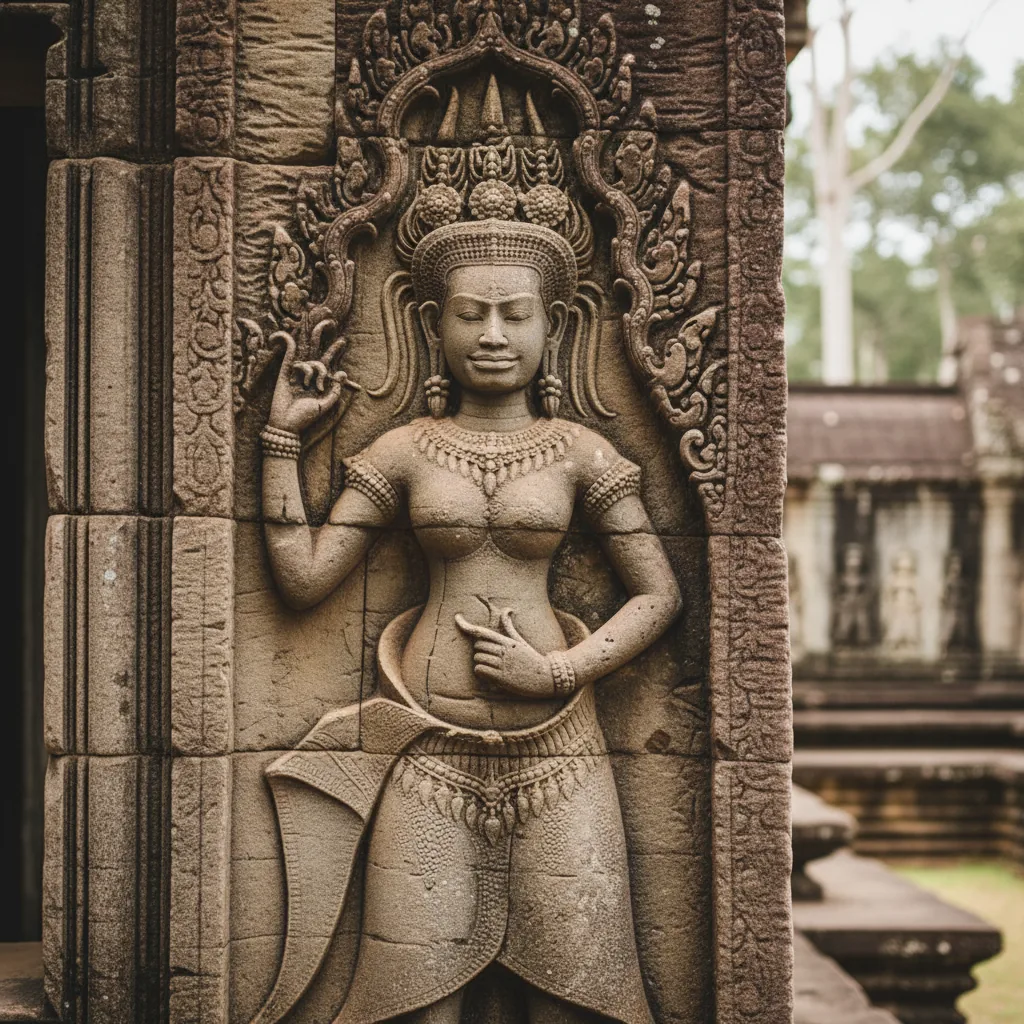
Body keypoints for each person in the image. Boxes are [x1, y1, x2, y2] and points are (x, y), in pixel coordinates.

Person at [255, 218, 681, 1024]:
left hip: (561, 756)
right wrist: (282, 439)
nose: (492, 335)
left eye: (516, 314)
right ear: (431, 324)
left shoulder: (578, 452)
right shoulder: (407, 450)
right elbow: (304, 577)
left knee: (578, 1005)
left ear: (553, 326)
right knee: (416, 1006)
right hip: (428, 755)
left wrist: (555, 671)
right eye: (469, 314)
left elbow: (659, 594)